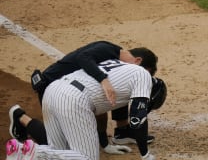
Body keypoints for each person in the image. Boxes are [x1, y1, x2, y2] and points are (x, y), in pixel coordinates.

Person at [3, 59, 167, 160]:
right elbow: (138, 120)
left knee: (61, 152)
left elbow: (101, 107)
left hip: (53, 90)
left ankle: (18, 152)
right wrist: (145, 155)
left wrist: (105, 144)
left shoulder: (119, 66)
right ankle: (36, 152)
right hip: (73, 99)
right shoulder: (144, 77)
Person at [9, 41, 157, 152]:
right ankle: (20, 117)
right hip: (51, 87)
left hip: (70, 91)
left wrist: (104, 143)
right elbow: (83, 57)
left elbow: (105, 102)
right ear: (138, 61)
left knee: (115, 90)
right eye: (145, 72)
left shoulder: (116, 62)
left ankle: (122, 130)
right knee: (61, 148)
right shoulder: (108, 49)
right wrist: (103, 79)